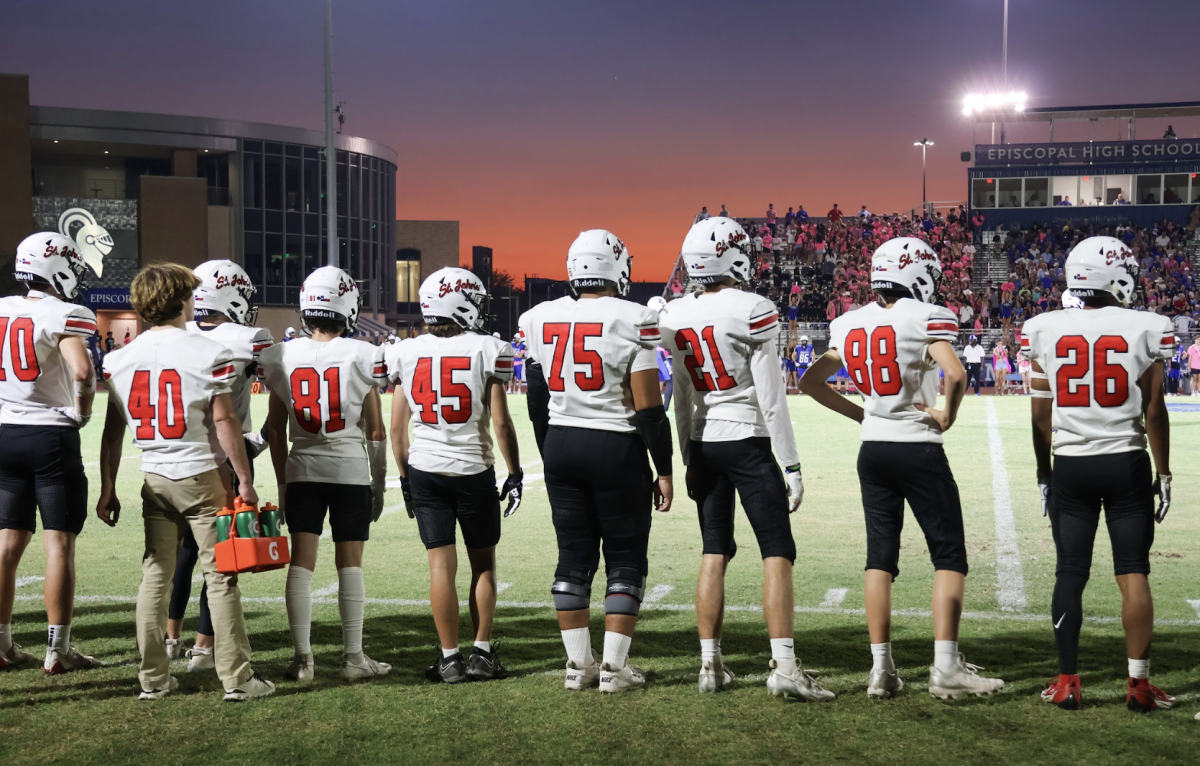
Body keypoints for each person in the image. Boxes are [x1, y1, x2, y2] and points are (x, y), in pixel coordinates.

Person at [799, 237, 1005, 700]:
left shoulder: (850, 321)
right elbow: (956, 374)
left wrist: (862, 414)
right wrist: (947, 415)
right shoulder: (926, 317)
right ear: (920, 275)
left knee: (880, 557)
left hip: (872, 451)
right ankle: (947, 668)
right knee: (949, 555)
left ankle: (881, 670)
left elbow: (811, 380)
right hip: (917, 447)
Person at [660, 218, 828, 702]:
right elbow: (772, 397)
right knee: (777, 550)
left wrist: (689, 454)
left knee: (715, 549)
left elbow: (683, 394)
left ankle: (710, 665)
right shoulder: (753, 307)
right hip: (747, 439)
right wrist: (791, 466)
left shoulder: (676, 313)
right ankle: (786, 668)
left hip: (706, 442)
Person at [96, 263, 274, 701]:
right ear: (181, 301)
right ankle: (236, 678)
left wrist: (106, 487)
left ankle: (153, 680)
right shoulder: (205, 351)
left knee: (155, 576)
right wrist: (245, 480)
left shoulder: (119, 358)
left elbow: (113, 430)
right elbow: (225, 418)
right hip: (200, 474)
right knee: (221, 576)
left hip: (154, 475)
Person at [1022, 236, 1174, 713]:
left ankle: (1068, 681)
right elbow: (1154, 410)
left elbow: (1040, 417)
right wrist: (1164, 472)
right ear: (1118, 277)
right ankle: (1139, 685)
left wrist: (1045, 474)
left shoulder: (1043, 327)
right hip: (1126, 462)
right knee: (1134, 573)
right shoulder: (1147, 326)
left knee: (1070, 572)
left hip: (1070, 464)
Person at [518, 229, 673, 694]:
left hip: (562, 444)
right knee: (625, 559)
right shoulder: (635, 317)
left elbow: (537, 396)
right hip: (616, 448)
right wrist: (663, 467)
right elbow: (647, 406)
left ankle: (577, 666)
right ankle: (613, 669)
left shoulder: (539, 317)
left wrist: (550, 451)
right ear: (617, 269)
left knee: (572, 558)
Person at [387, 267, 522, 683]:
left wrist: (406, 479)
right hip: (472, 469)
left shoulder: (404, 352)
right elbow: (500, 423)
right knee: (483, 565)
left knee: (440, 567)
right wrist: (515, 472)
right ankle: (481, 654)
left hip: (425, 469)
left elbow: (396, 429)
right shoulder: (487, 348)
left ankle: (449, 659)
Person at [260, 266, 391, 683]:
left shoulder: (281, 354)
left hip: (302, 470)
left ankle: (303, 660)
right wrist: (379, 483)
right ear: (347, 307)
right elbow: (375, 430)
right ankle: (353, 658)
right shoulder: (364, 355)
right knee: (349, 564)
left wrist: (282, 484)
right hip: (350, 469)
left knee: (302, 564)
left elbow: (275, 431)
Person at [166, 260, 273, 672]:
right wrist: (259, 442)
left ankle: (170, 637)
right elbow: (280, 389)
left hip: (175, 457)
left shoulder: (175, 334)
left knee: (180, 555)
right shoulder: (250, 338)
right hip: (224, 460)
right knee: (221, 558)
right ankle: (204, 649)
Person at [0, 233, 99, 673]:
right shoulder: (66, 312)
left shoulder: (3, 307)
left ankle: (2, 644)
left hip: (4, 434)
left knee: (6, 544)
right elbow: (82, 370)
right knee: (58, 543)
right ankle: (57, 651)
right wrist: (81, 412)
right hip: (49, 437)